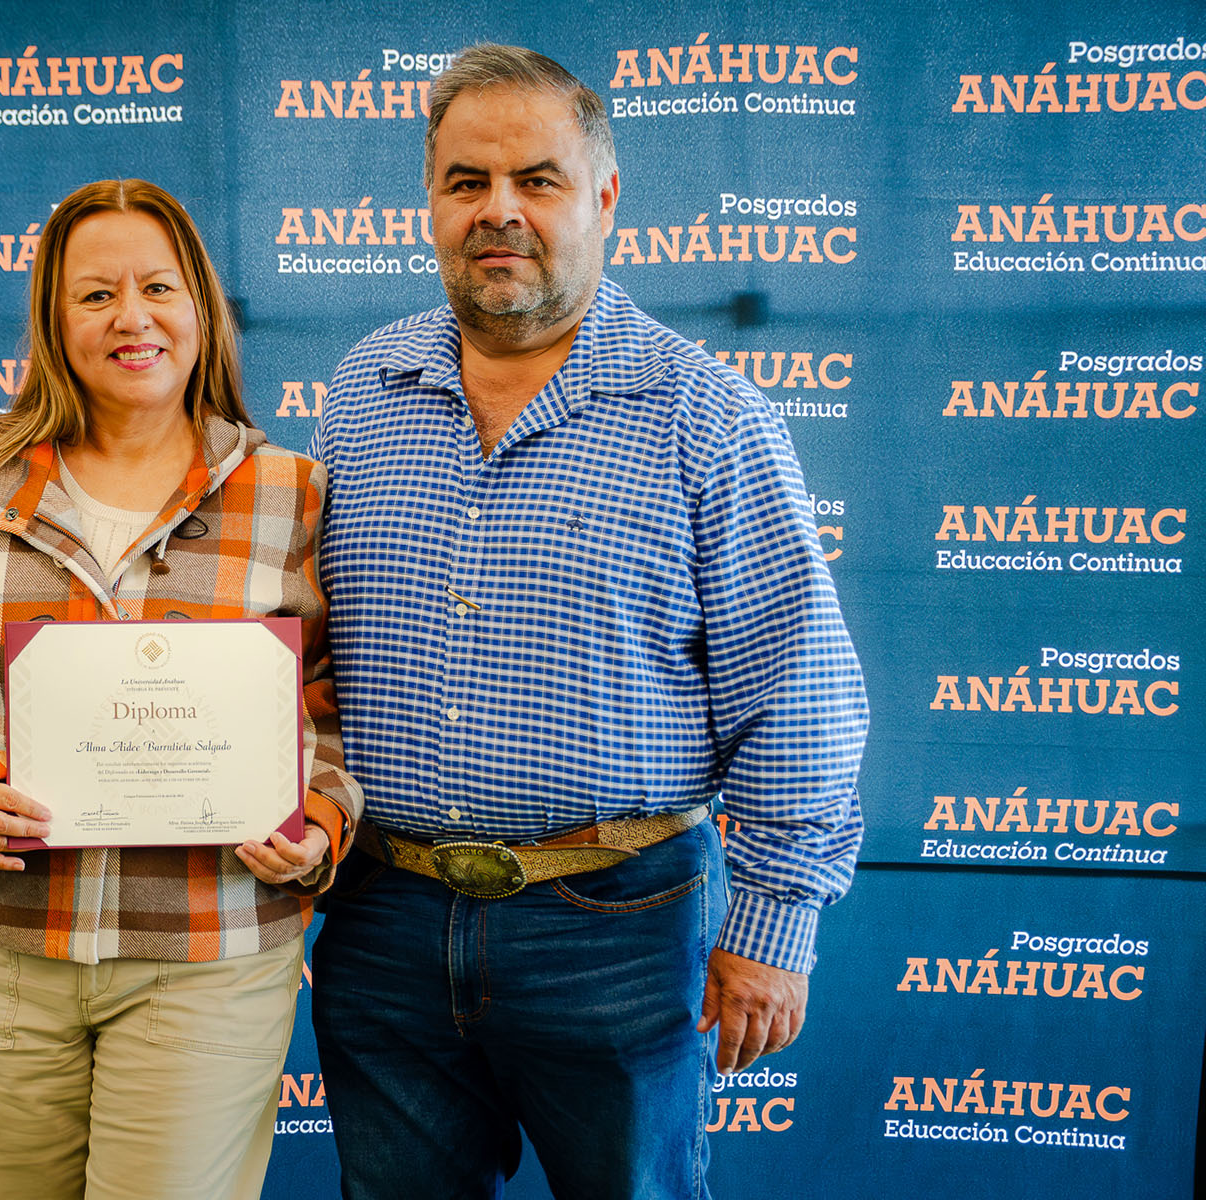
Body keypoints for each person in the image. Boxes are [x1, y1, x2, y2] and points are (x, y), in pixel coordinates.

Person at [306, 45, 867, 1200]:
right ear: (430, 202)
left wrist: (771, 925)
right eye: (467, 182)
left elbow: (799, 689)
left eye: (538, 179)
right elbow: (302, 648)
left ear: (604, 197)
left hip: (614, 927)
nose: (498, 210)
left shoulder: (706, 417)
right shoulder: (361, 394)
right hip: (384, 919)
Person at [0, 178, 361, 1200]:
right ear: (54, 318)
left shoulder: (291, 493)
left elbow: (340, 704)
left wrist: (316, 820)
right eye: (95, 296)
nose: (131, 318)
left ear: (200, 309)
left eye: (157, 288)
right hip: (5, 949)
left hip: (209, 952)